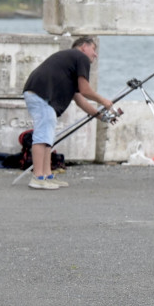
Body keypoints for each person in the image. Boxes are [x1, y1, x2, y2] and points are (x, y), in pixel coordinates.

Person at [22, 36, 116, 190]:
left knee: (48, 137)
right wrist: (104, 101)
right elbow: (86, 91)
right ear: (84, 46)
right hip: (41, 95)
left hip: (39, 94)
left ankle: (47, 176)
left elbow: (80, 99)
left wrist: (101, 116)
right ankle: (37, 177)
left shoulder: (69, 64)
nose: (95, 54)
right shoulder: (80, 57)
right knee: (42, 135)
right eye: (94, 49)